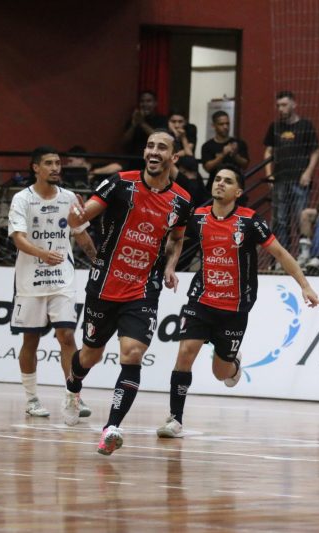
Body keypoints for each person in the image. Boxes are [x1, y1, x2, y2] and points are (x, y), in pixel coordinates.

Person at [155, 164, 319, 438]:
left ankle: (233, 362)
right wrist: (171, 266)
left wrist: (305, 286)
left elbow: (280, 254)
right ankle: (175, 419)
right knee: (185, 354)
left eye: (227, 181)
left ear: (238, 191)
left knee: (221, 373)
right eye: (217, 179)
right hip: (202, 299)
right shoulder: (198, 217)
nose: (220, 183)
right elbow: (177, 239)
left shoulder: (249, 221)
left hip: (234, 307)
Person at [65, 130, 193, 455]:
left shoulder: (181, 200)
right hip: (104, 286)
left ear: (173, 158)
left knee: (133, 354)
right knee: (90, 355)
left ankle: (112, 428)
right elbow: (84, 217)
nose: (153, 151)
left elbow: (177, 238)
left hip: (142, 289)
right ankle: (73, 385)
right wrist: (77, 219)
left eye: (161, 147)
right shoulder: (120, 183)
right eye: (150, 145)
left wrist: (169, 265)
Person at [8, 146, 98, 418]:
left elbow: (81, 236)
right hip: (29, 281)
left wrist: (98, 263)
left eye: (58, 163)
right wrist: (41, 254)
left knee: (68, 335)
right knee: (30, 340)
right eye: (49, 163)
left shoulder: (69, 198)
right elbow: (18, 238)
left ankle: (74, 395)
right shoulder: (22, 199)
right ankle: (32, 398)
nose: (56, 168)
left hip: (62, 278)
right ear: (36, 167)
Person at [263, 90, 319, 265]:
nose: (281, 108)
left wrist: (308, 172)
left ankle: (304, 255)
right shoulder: (275, 127)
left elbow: (315, 151)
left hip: (300, 180)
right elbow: (268, 151)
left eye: (285, 104)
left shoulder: (305, 125)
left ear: (294, 104)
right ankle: (282, 258)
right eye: (279, 105)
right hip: (280, 179)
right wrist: (269, 175)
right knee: (280, 220)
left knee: (300, 217)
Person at [200, 110, 249, 192]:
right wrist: (223, 154)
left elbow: (245, 164)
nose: (225, 127)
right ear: (214, 126)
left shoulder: (239, 143)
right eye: (221, 124)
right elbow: (208, 167)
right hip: (215, 186)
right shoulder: (207, 146)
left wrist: (235, 154)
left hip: (235, 187)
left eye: (227, 123)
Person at [122, 90, 168, 170]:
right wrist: (134, 124)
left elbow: (159, 138)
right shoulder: (134, 119)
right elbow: (125, 141)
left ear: (155, 103)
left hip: (154, 160)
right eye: (142, 101)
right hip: (134, 161)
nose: (145, 104)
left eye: (149, 101)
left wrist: (142, 123)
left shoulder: (162, 120)